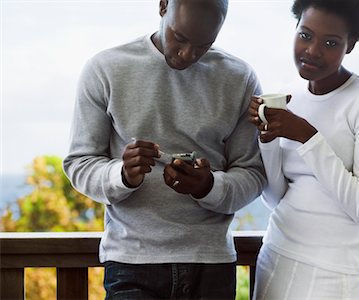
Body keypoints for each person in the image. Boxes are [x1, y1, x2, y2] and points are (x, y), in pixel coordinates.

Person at [63, 0, 266, 298]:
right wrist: (122, 175)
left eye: (204, 45)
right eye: (180, 38)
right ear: (162, 6)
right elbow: (79, 164)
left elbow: (253, 174)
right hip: (132, 262)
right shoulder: (105, 68)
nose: (188, 54)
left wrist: (209, 186)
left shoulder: (240, 78)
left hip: (211, 264)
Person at [248, 0, 359, 298]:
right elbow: (276, 198)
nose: (312, 50)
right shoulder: (289, 96)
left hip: (333, 271)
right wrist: (267, 140)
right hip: (277, 255)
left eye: (330, 42)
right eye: (305, 35)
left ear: (350, 45)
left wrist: (307, 136)